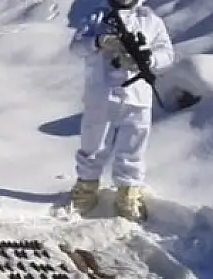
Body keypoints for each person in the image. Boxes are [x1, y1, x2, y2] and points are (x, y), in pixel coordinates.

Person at [67, 0, 174, 220]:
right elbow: (76, 47)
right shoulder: (96, 18)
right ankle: (86, 190)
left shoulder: (150, 20)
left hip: (137, 95)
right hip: (102, 93)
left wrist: (149, 58)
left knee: (133, 147)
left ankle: (128, 194)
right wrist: (98, 41)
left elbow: (167, 53)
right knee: (93, 144)